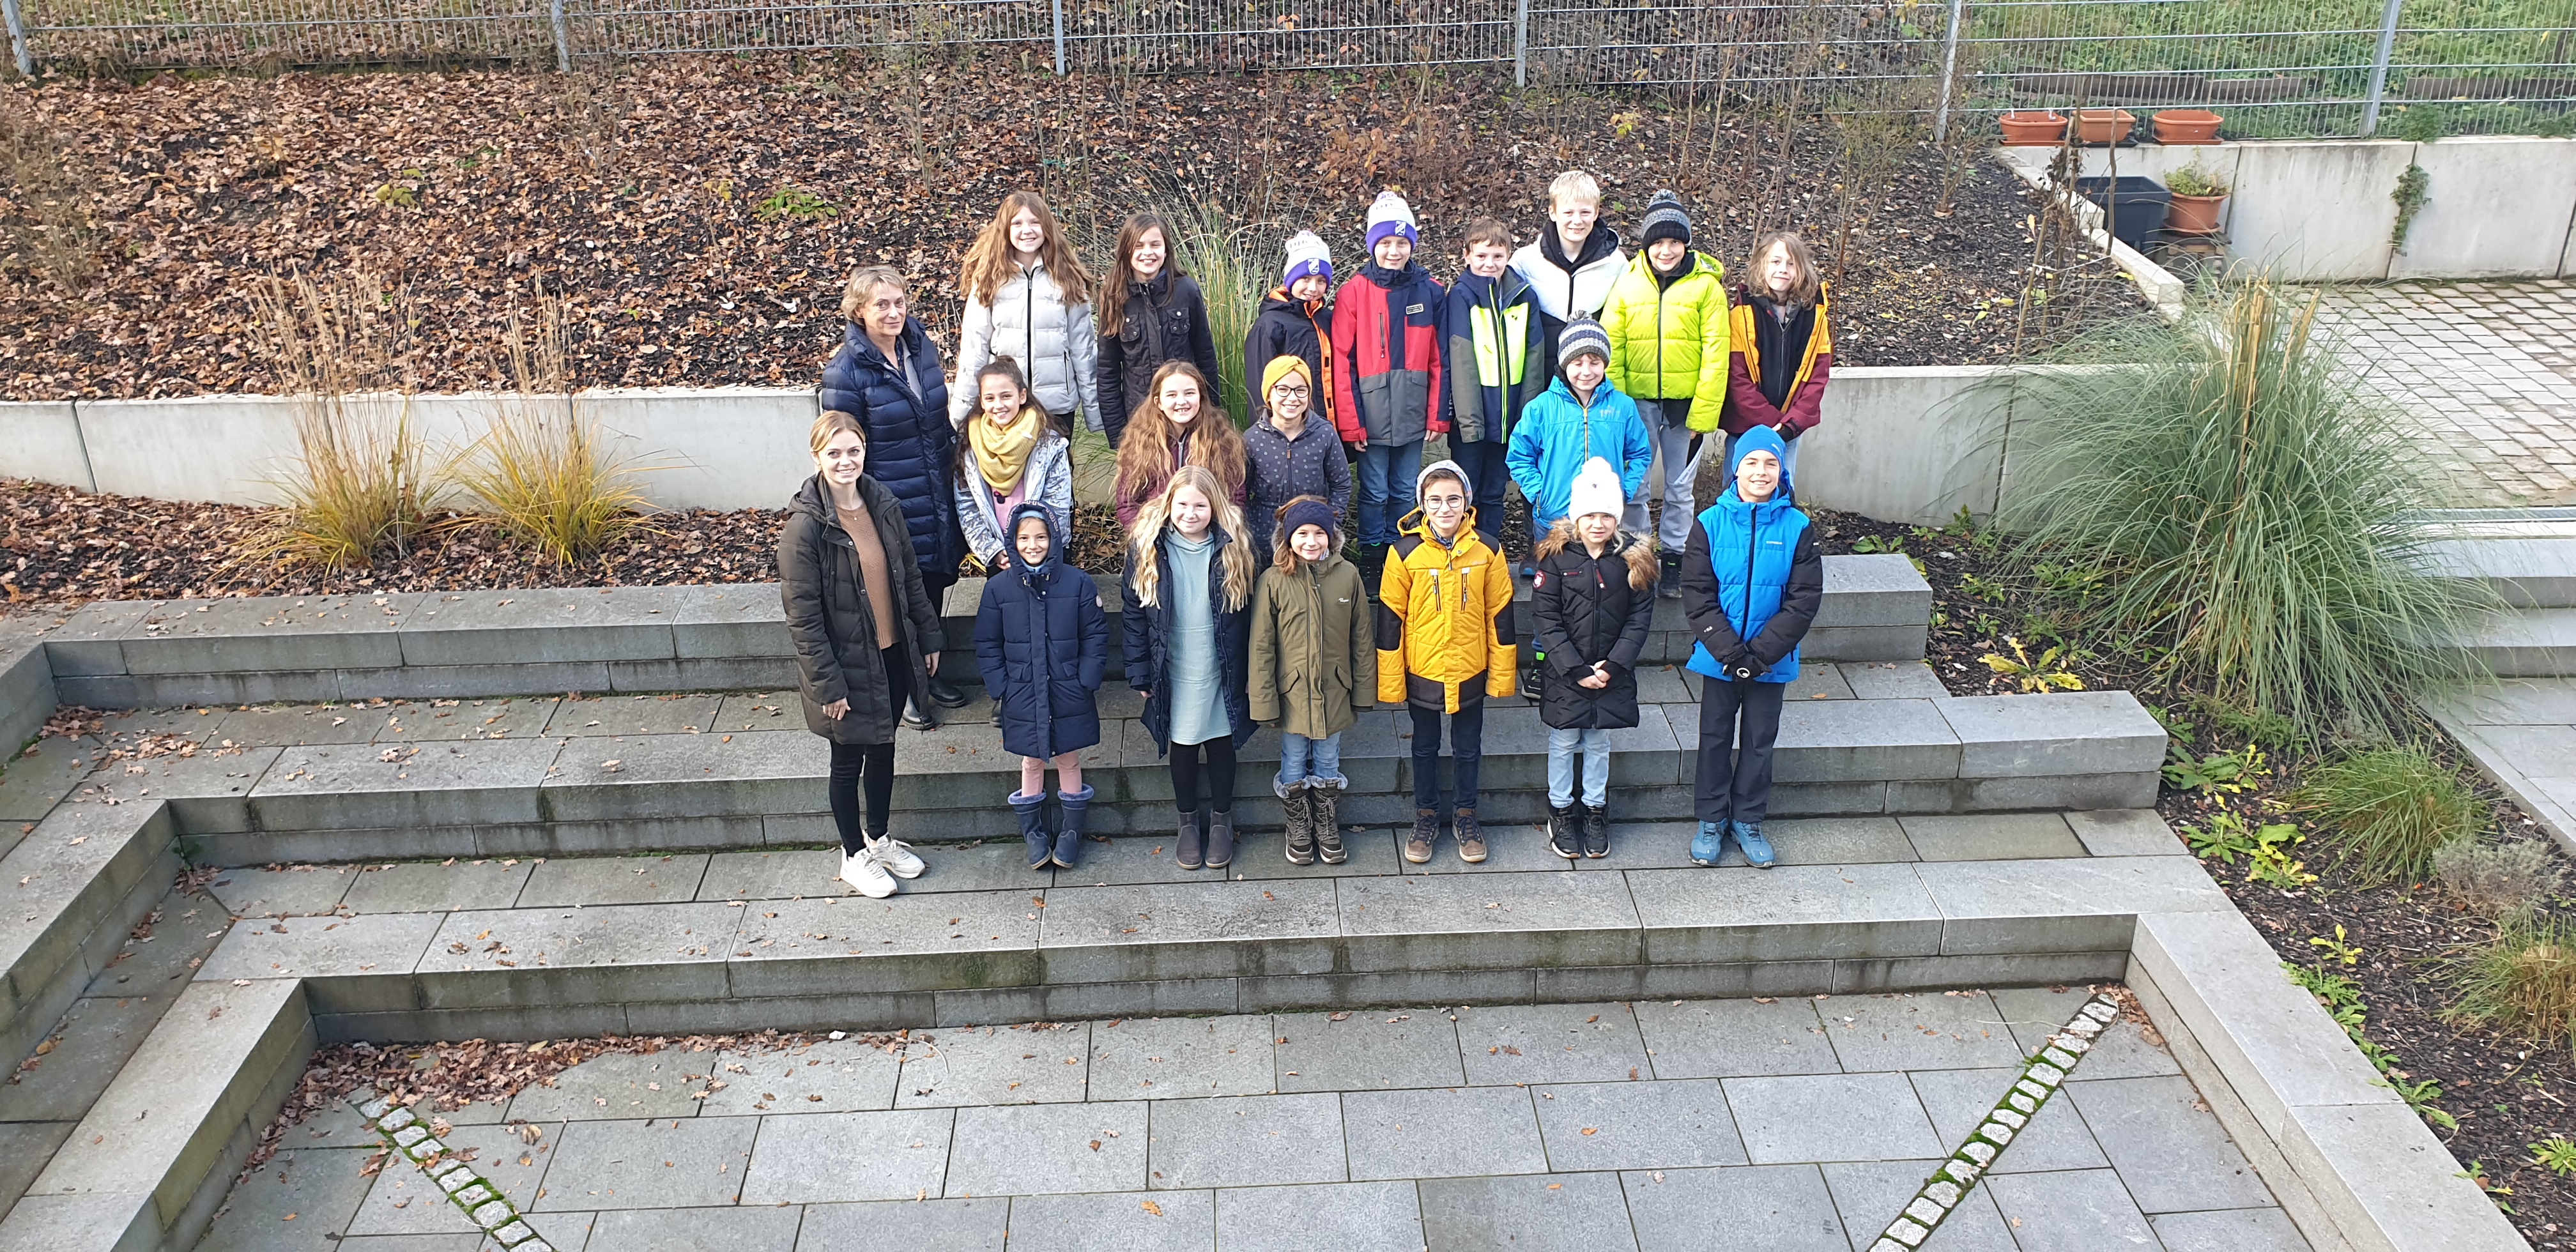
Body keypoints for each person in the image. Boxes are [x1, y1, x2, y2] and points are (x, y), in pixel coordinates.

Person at [778, 411, 946, 898]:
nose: (845, 460)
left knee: (885, 747)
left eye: (853, 450)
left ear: (864, 450)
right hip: (844, 668)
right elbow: (803, 619)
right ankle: (853, 855)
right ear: (817, 457)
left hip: (890, 655)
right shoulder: (805, 529)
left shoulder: (882, 504)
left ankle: (878, 838)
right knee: (847, 760)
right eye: (834, 453)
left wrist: (928, 637)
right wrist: (828, 685)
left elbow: (909, 577)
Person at [820, 265, 969, 723]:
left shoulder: (921, 348)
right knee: (899, 588)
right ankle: (905, 686)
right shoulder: (846, 371)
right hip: (889, 498)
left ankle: (931, 669)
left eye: (899, 302)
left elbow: (939, 416)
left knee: (933, 581)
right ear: (859, 311)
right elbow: (842, 443)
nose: (893, 311)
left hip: (935, 489)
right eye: (881, 304)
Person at [1680, 425, 1822, 870]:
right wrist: (1731, 653)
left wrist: (1760, 656)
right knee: (1715, 736)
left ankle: (1748, 819)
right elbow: (1697, 593)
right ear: (1735, 468)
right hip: (1719, 658)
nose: (1761, 472)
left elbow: (1803, 601)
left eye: (1771, 463)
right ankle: (1710, 819)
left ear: (1782, 471)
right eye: (1752, 462)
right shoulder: (1709, 524)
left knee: (1760, 740)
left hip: (1770, 662)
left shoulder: (1799, 528)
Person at [1376, 460, 1516, 866]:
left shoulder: (1487, 550)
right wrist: (1391, 680)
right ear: (1422, 504)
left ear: (1467, 502)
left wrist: (1502, 673)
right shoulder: (1404, 553)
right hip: (1423, 668)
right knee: (1424, 745)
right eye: (1434, 501)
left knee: (1468, 746)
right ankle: (1425, 816)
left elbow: (1501, 614)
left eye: (1453, 500)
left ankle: (1467, 815)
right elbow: (1390, 620)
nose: (1445, 508)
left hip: (1471, 666)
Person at [1124, 465, 1258, 872]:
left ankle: (1221, 818)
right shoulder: (1149, 547)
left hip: (1221, 662)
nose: (1190, 513)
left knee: (1220, 740)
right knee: (1181, 743)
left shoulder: (1235, 546)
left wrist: (1254, 670)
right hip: (1174, 661)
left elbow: (1253, 615)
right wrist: (1139, 671)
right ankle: (1187, 821)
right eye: (1182, 504)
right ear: (1169, 506)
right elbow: (1133, 614)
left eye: (1200, 505)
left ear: (1214, 507)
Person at [1600, 190, 1729, 598]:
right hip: (1636, 406)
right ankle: (1640, 556)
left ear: (1686, 244)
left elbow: (1716, 353)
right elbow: (1612, 350)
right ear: (1647, 244)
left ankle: (1674, 557)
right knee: (1635, 487)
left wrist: (1703, 417)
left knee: (1679, 488)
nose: (1667, 250)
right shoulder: (1627, 284)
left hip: (1684, 408)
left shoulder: (1707, 288)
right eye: (1658, 242)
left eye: (1675, 241)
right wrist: (1617, 409)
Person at [1529, 459, 1657, 860]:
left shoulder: (1632, 561)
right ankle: (1562, 809)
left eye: (1606, 515)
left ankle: (1596, 808)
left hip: (1610, 671)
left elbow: (1639, 620)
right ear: (1576, 517)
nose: (1598, 524)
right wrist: (1576, 668)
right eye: (1589, 515)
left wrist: (1613, 666)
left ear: (1617, 518)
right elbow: (1546, 619)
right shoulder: (1556, 559)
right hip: (1568, 672)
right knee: (1565, 740)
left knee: (1599, 741)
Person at [975, 502, 1108, 872]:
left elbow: (1095, 634)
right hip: (1022, 690)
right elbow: (987, 642)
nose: (1033, 545)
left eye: (1040, 537)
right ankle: (1033, 832)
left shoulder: (1077, 582)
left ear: (1053, 539)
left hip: (1067, 689)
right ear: (1012, 541)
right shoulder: (999, 589)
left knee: (1068, 755)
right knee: (1031, 758)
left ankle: (1071, 831)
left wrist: (1086, 679)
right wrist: (1000, 685)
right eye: (1024, 538)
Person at [1248, 495, 1374, 867]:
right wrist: (1264, 701)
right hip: (1292, 693)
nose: (1311, 541)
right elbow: (1261, 646)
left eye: (1319, 533)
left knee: (1328, 759)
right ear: (1288, 539)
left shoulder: (1347, 575)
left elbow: (1361, 637)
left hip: (1335, 690)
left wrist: (1363, 691)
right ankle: (1298, 826)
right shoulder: (1273, 580)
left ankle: (1326, 822)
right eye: (1302, 533)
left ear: (1331, 537)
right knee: (1294, 759)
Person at [1331, 189, 1445, 593]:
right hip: (1371, 418)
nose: (1394, 251)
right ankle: (1373, 559)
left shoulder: (1430, 291)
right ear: (1372, 245)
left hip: (1414, 416)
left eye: (1401, 243)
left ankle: (1404, 555)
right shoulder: (1353, 292)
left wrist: (1437, 415)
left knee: (1404, 489)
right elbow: (1341, 362)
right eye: (1385, 243)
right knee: (1374, 490)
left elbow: (1439, 359)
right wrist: (1352, 423)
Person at [949, 191, 1100, 434]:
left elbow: (1083, 349)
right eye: (1017, 223)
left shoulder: (1068, 279)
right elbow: (974, 350)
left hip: (1056, 407)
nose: (1027, 230)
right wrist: (960, 415)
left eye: (1034, 222)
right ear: (1005, 230)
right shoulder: (989, 280)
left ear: (1047, 227)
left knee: (1055, 473)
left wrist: (1095, 412)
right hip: (1005, 406)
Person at [1441, 217, 1546, 546]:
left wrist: (1526, 417)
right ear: (1467, 256)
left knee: (1494, 491)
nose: (1490, 264)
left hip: (1510, 417)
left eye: (1498, 256)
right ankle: (1460, 552)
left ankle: (1488, 552)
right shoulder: (1460, 296)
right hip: (1471, 420)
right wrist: (1468, 422)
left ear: (1509, 256)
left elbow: (1534, 359)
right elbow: (1460, 361)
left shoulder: (1524, 297)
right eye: (1482, 256)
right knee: (1465, 490)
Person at [1507, 317, 1652, 537]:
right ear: (1565, 364)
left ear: (1605, 364)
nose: (1586, 372)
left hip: (1603, 521)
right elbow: (1519, 456)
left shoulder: (1623, 407)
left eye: (1595, 363)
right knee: (1554, 570)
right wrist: (1540, 493)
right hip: (1554, 519)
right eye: (1577, 363)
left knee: (1602, 571)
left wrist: (1624, 490)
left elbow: (1640, 454)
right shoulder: (1541, 407)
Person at [1097, 210, 1222, 448]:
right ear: (1126, 251)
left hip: (1189, 417)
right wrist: (1117, 435)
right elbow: (1107, 370)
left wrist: (1211, 414)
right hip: (1139, 422)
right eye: (1139, 246)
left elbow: (1206, 356)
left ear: (1166, 249)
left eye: (1156, 244)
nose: (1148, 253)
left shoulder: (1186, 290)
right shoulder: (1114, 296)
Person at [1724, 231, 1834, 485]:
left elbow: (1818, 377)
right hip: (1746, 427)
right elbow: (1736, 377)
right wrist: (1773, 423)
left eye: (1791, 263)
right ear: (1762, 265)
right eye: (1775, 262)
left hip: (1789, 430)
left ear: (1801, 269)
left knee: (1782, 492)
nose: (1782, 269)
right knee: (1736, 492)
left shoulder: (1815, 315)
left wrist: (1790, 424)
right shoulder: (1742, 312)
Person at [953, 356, 1075, 574]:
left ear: (1022, 396)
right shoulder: (969, 447)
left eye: (1006, 396)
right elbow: (967, 506)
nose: (998, 405)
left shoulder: (1048, 444)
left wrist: (1033, 546)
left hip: (1042, 551)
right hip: (1001, 554)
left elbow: (1057, 504)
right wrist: (993, 550)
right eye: (990, 398)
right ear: (981, 402)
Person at [1510, 169, 1625, 384]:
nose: (1577, 221)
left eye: (1585, 213)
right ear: (1553, 213)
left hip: (1590, 378)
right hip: (1538, 378)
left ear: (1596, 213)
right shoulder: (1525, 262)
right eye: (1568, 213)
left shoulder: (1616, 264)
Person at [1112, 360, 1247, 528]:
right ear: (1158, 402)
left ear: (1201, 397)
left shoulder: (1222, 442)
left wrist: (1217, 538)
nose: (1182, 401)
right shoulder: (1140, 444)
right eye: (1172, 395)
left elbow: (1235, 499)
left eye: (1189, 393)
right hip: (1155, 537)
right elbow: (1128, 503)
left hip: (1207, 539)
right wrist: (1146, 537)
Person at [1242, 355, 1351, 556]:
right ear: (1269, 394)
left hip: (1313, 535)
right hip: (1265, 534)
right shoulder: (1252, 439)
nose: (1292, 398)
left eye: (1301, 390)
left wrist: (1329, 522)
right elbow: (1241, 491)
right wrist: (1249, 527)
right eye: (1283, 390)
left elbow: (1341, 485)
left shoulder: (1324, 434)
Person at [1245, 230, 1338, 441]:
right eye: (1305, 278)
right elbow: (1258, 386)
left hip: (1327, 430)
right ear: (1291, 279)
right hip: (1287, 431)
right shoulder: (1269, 325)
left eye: (1321, 281)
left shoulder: (1328, 320)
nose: (1313, 288)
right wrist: (1265, 436)